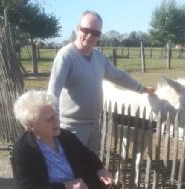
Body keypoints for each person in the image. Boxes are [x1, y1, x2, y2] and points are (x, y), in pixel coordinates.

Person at [47, 10, 155, 153]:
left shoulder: (99, 57)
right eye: (86, 30)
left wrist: (142, 89)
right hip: (72, 126)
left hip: (94, 123)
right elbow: (53, 93)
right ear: (78, 28)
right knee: (74, 166)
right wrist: (54, 124)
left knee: (91, 164)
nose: (90, 36)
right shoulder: (65, 57)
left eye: (96, 33)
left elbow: (119, 76)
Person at [12, 90, 113, 189]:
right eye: (49, 119)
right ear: (31, 125)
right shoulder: (22, 150)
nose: (57, 121)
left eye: (55, 116)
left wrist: (100, 170)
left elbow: (87, 155)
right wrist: (66, 186)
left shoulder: (65, 136)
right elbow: (27, 187)